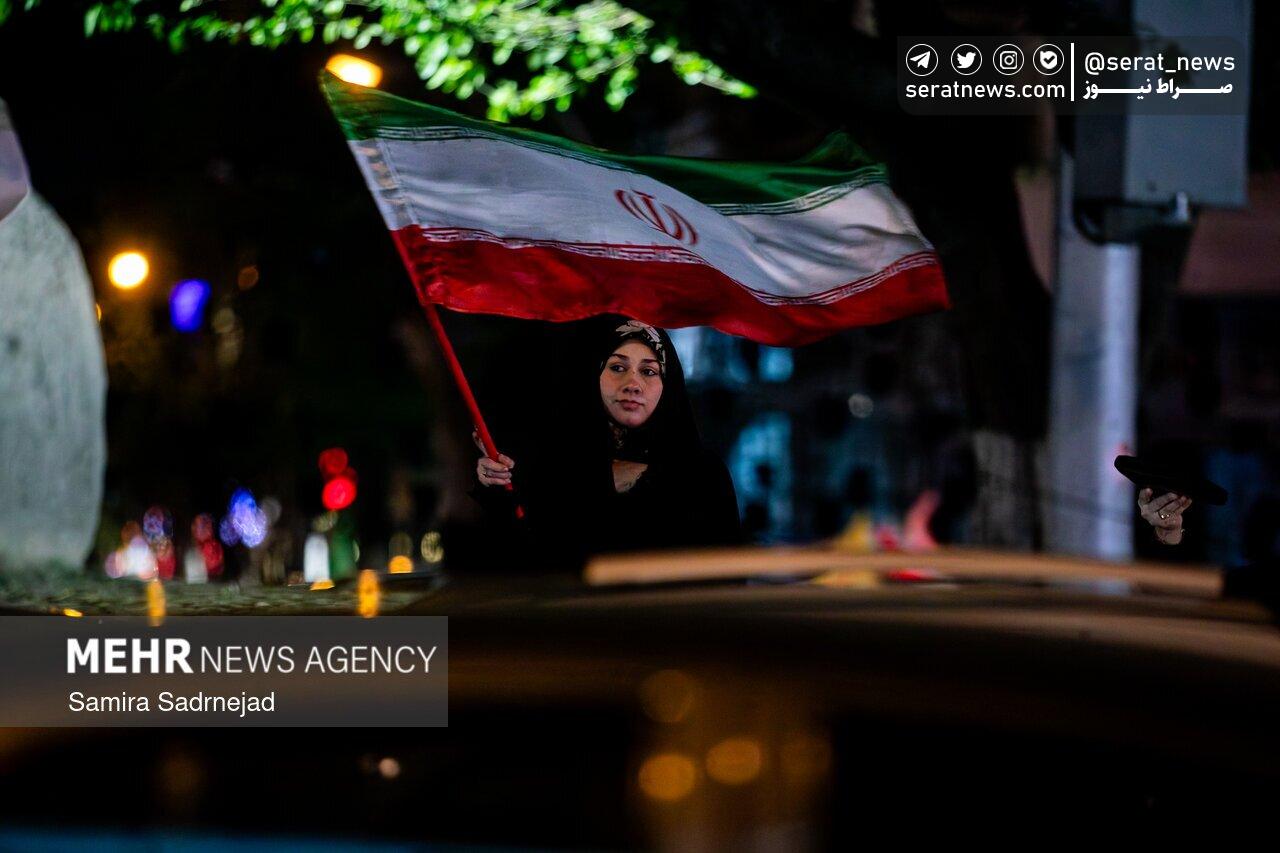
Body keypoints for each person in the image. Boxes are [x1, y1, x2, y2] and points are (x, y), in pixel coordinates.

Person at [472, 317, 741, 564]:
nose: (632, 384)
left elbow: (725, 574)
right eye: (617, 367)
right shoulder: (554, 468)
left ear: (668, 384)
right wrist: (496, 486)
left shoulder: (702, 475)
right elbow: (518, 558)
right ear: (592, 375)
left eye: (648, 371)